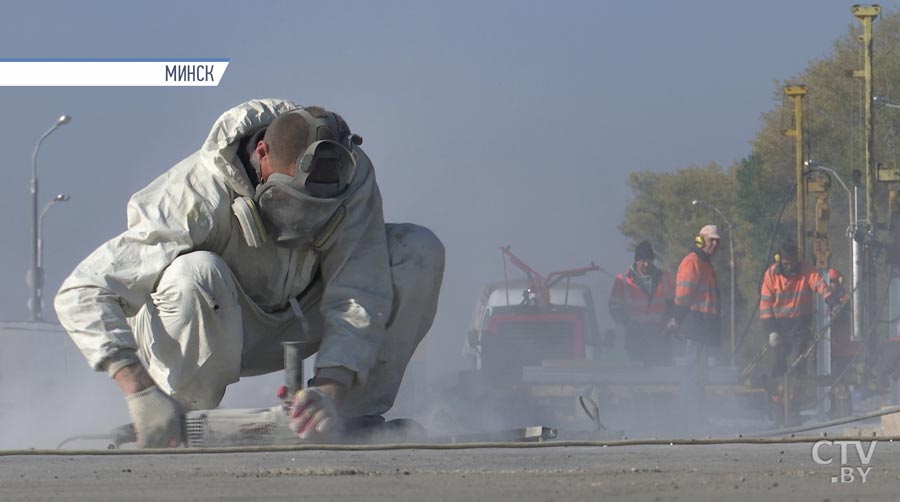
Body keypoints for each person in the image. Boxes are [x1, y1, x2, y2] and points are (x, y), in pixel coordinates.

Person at [54, 99, 445, 447]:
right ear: (262, 156)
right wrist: (139, 392)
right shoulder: (194, 193)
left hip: (301, 315)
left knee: (416, 251)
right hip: (214, 319)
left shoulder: (353, 179)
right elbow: (82, 293)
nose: (304, 223)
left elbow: (359, 290)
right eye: (293, 203)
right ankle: (178, 417)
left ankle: (343, 416)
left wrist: (331, 387)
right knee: (196, 273)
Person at [760, 241, 841, 425]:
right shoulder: (771, 274)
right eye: (786, 263)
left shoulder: (806, 270)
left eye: (792, 263)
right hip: (778, 327)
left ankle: (793, 410)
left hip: (800, 326)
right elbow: (765, 304)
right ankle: (778, 412)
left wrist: (830, 299)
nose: (790, 267)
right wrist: (771, 331)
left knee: (796, 368)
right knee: (776, 368)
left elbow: (819, 283)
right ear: (780, 260)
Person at [671, 224, 722, 428]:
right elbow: (683, 294)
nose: (715, 245)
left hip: (702, 326)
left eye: (717, 241)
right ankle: (689, 417)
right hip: (695, 324)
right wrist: (678, 317)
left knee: (699, 374)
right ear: (700, 240)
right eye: (711, 240)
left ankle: (697, 417)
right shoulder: (693, 261)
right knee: (693, 373)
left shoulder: (705, 263)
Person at [608, 241, 676, 366]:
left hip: (660, 337)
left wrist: (669, 320)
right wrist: (627, 321)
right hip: (635, 337)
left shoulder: (664, 277)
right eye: (643, 260)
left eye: (649, 260)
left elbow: (673, 303)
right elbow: (614, 307)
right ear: (636, 261)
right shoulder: (623, 280)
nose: (646, 264)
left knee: (663, 377)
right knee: (636, 377)